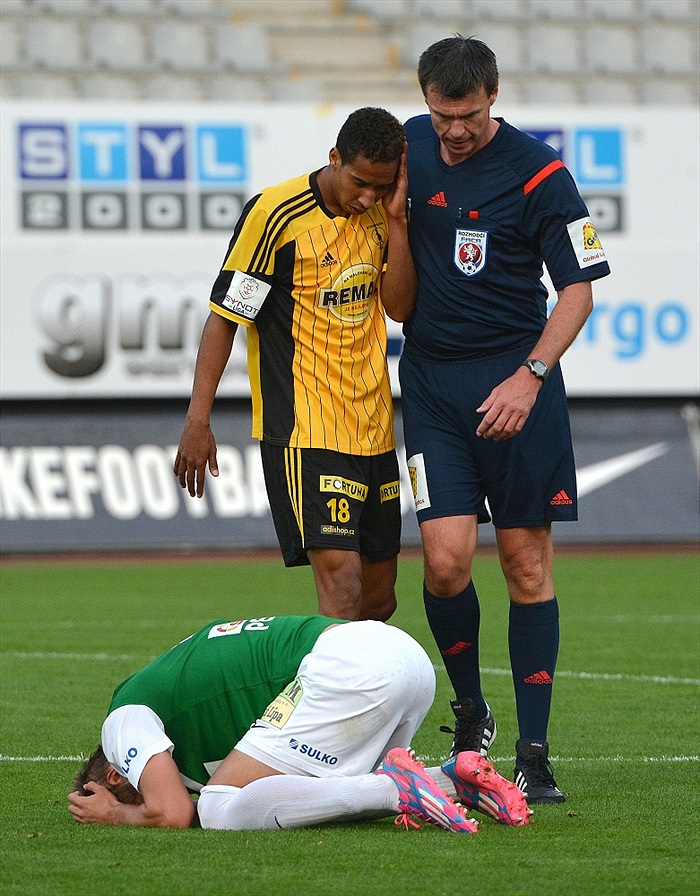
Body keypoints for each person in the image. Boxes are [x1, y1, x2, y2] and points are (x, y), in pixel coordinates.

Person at [399, 36, 611, 804]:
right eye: (442, 114)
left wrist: (530, 375)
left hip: (518, 388)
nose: (453, 130)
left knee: (525, 565)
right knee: (446, 563)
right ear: (425, 100)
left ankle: (534, 750)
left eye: (469, 114)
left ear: (493, 96)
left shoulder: (542, 172)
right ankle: (469, 714)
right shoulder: (407, 147)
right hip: (430, 388)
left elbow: (580, 288)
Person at [174, 107, 416, 623]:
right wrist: (199, 417)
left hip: (373, 426)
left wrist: (396, 221)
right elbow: (225, 318)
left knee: (379, 600)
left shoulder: (383, 211)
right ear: (334, 158)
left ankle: (349, 695)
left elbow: (397, 308)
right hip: (305, 429)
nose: (367, 198)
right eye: (359, 184)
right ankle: (330, 704)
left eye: (380, 187)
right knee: (343, 586)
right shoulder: (275, 215)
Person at [67, 613, 530, 831]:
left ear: (114, 773)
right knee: (321, 796)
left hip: (353, 666)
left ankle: (395, 788)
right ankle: (453, 780)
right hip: (402, 657)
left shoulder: (121, 717)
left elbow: (173, 812)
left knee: (218, 807)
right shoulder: (174, 706)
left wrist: (115, 812)